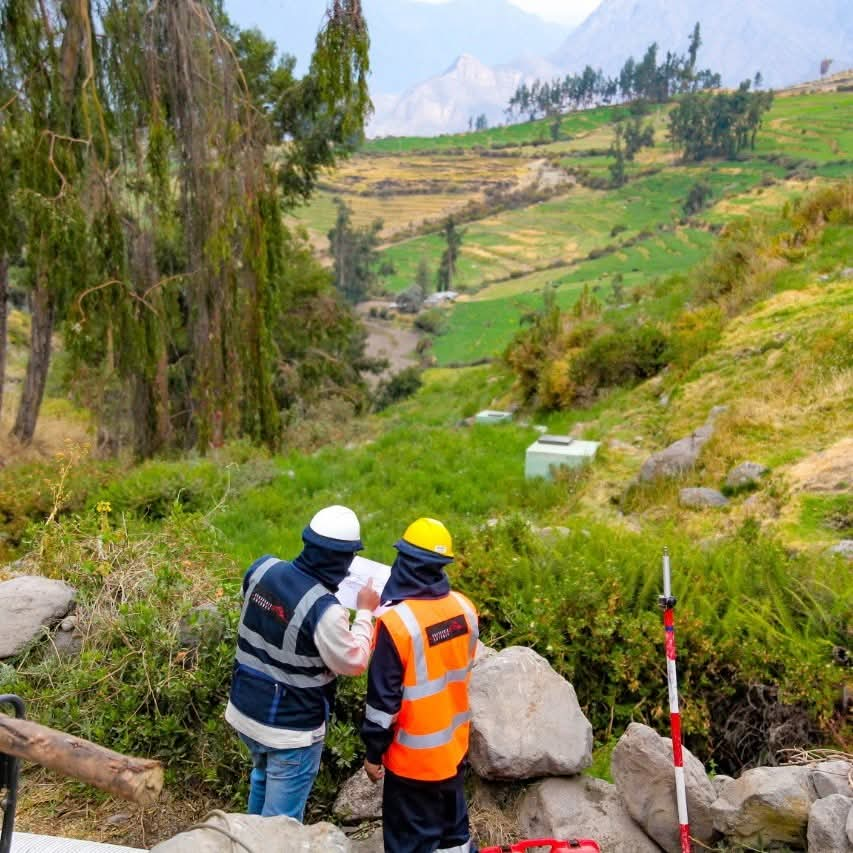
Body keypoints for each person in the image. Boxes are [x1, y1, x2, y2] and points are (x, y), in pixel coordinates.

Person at [226, 505, 381, 821]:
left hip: (245, 710)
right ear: (344, 559)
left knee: (261, 779)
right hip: (289, 730)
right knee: (280, 823)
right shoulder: (325, 611)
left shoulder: (261, 569)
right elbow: (353, 662)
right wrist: (365, 612)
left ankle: (249, 841)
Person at [361, 518, 479, 853]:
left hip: (412, 765)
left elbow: (382, 705)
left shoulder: (396, 625)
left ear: (404, 561)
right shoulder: (464, 609)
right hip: (453, 751)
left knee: (410, 845)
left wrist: (373, 754)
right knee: (453, 840)